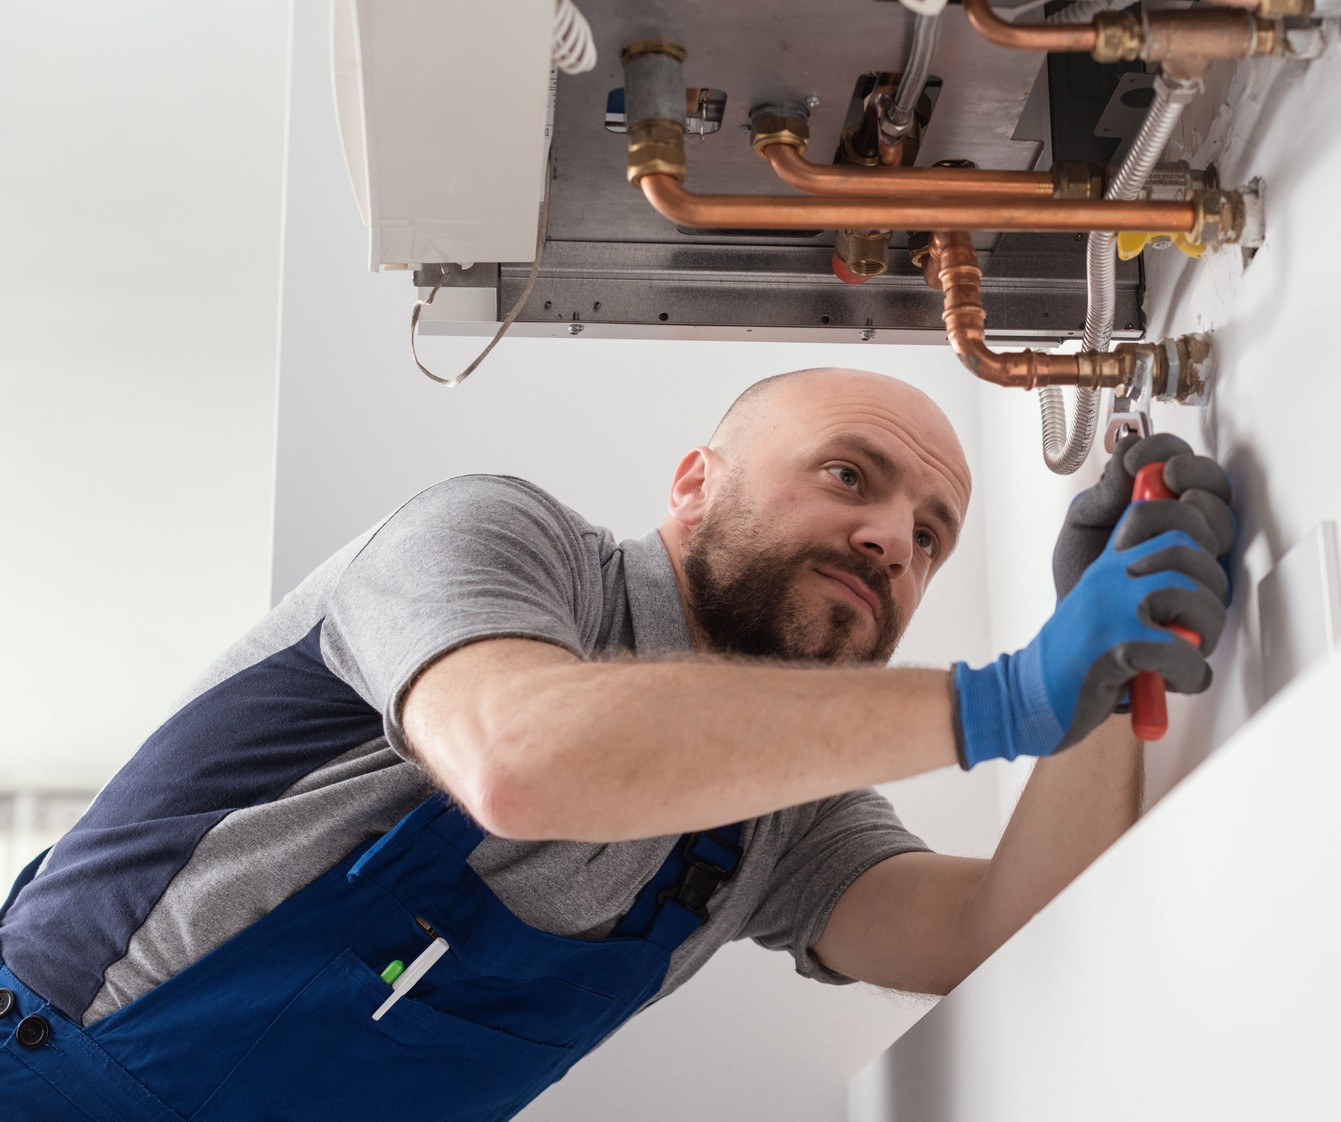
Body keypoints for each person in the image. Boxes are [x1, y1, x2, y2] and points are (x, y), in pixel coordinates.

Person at [0, 367, 1233, 1121]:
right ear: (694, 482)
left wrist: (1099, 684)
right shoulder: (501, 543)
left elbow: (987, 931)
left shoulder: (778, 811)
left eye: (930, 535)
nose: (890, 542)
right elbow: (517, 756)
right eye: (847, 475)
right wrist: (1008, 696)